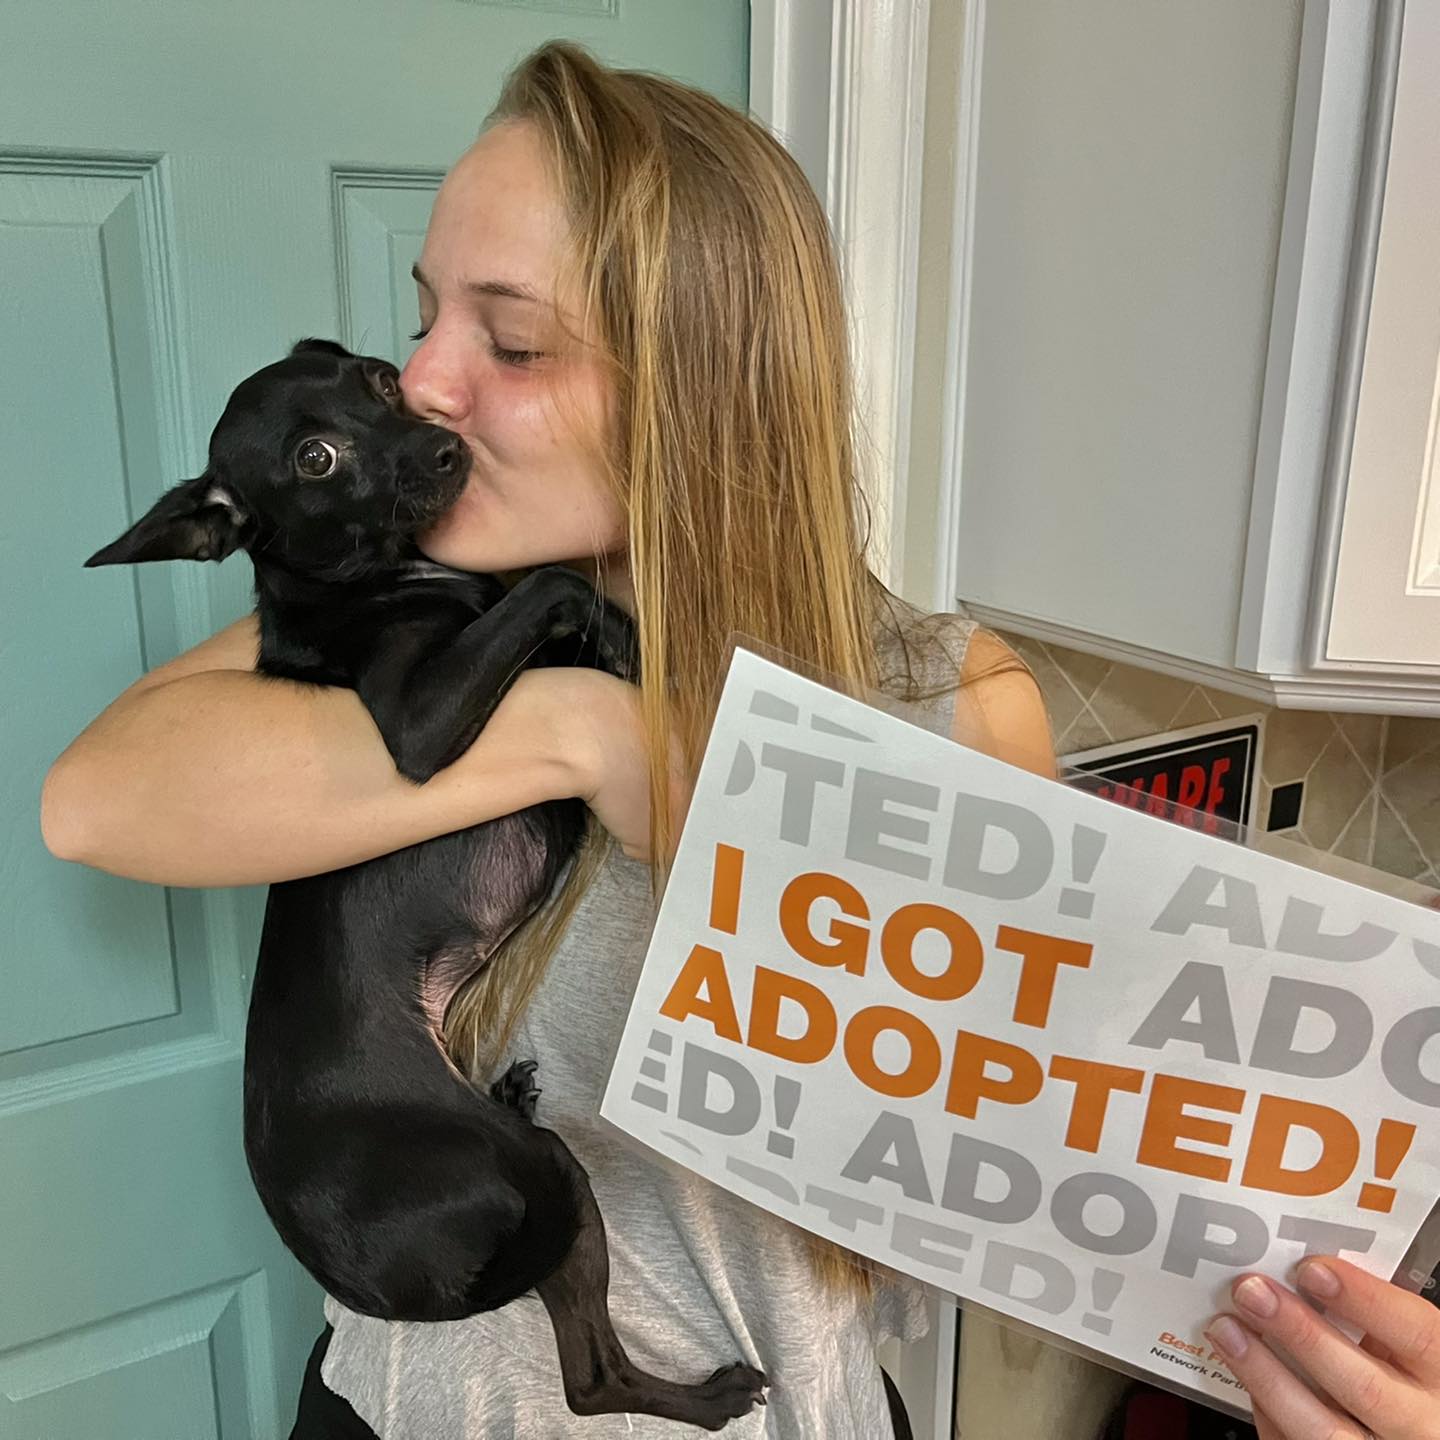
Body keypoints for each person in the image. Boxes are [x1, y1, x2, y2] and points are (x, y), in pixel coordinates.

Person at [41, 40, 1440, 1440]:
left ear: (701, 387)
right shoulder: (409, 614)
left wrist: (1298, 1350)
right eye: (423, 317)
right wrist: (585, 728)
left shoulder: (941, 700)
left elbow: (1016, 1170)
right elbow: (97, 801)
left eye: (509, 341)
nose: (424, 384)